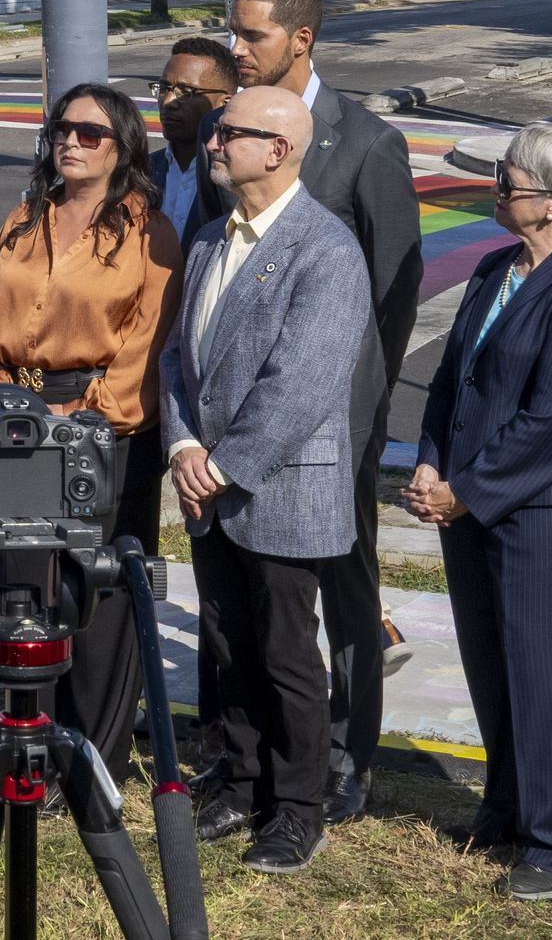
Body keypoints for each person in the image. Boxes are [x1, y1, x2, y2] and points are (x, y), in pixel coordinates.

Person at [198, 0, 423, 825]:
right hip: (234, 423)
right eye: (233, 31)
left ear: (301, 40)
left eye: (251, 35)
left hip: (336, 417)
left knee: (344, 584)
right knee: (248, 598)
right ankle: (249, 753)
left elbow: (392, 292)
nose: (237, 49)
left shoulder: (362, 142)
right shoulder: (232, 131)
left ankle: (344, 751)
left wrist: (359, 413)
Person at [405, 124, 552, 903]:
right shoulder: (497, 268)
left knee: (547, 672)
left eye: (509, 181)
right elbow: (449, 381)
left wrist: (466, 489)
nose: (496, 188)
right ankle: (507, 806)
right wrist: (431, 460)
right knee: (492, 663)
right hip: (471, 501)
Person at [161, 85, 370, 875]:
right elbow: (179, 356)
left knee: (287, 655)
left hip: (277, 486)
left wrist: (220, 464)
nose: (212, 142)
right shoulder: (214, 238)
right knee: (227, 644)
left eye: (228, 132)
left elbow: (301, 382)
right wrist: (183, 447)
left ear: (277, 150)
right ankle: (243, 782)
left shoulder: (325, 248)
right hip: (208, 484)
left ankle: (298, 809)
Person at [0, 83, 182, 779]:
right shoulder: (25, 216)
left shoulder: (150, 231)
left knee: (100, 593)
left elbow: (147, 348)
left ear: (123, 147)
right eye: (63, 128)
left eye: (91, 132)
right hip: (14, 423)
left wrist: (81, 418)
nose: (71, 140)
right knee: (25, 592)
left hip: (102, 428)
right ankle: (31, 746)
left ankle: (94, 760)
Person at [147, 36, 237, 247]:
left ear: (224, 103)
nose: (168, 102)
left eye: (186, 92)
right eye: (164, 88)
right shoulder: (142, 170)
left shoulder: (235, 180)